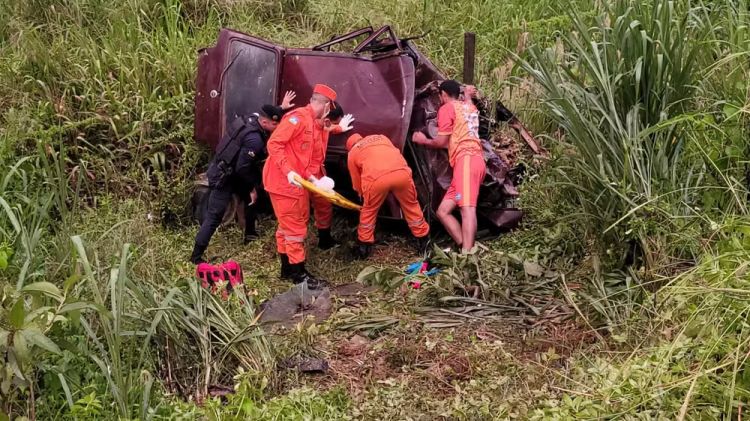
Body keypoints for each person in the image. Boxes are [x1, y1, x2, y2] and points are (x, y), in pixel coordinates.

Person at [190, 99, 291, 264]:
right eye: (275, 126)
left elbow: (268, 113)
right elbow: (243, 167)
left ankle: (250, 235)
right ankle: (196, 257)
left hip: (233, 171)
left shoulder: (251, 118)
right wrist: (251, 186)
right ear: (265, 122)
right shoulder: (255, 140)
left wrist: (281, 108)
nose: (276, 129)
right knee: (214, 217)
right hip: (225, 176)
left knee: (253, 198)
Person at [262, 84, 338, 288]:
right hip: (283, 183)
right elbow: (274, 144)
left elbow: (301, 158)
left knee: (287, 227)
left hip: (297, 182)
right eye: (330, 107)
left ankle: (286, 269)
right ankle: (299, 275)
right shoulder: (297, 118)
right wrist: (288, 171)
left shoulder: (313, 123)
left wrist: (314, 181)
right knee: (295, 229)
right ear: (325, 105)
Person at [411, 80, 486, 252]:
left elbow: (441, 141)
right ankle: (462, 244)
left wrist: (423, 140)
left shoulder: (447, 109)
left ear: (443, 94)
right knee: (443, 211)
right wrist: (467, 94)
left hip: (466, 161)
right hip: (472, 161)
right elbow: (454, 137)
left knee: (467, 209)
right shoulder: (469, 107)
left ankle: (468, 255)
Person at [345, 133, 430, 259]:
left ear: (349, 147)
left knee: (369, 211)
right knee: (411, 206)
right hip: (402, 173)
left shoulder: (353, 153)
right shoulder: (382, 137)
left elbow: (356, 181)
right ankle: (424, 241)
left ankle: (364, 246)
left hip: (377, 180)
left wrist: (362, 195)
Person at [310, 101, 354, 250]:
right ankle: (295, 258)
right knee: (299, 213)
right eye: (333, 122)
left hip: (317, 172)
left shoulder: (321, 125)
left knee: (324, 205)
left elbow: (327, 128)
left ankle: (324, 240)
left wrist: (340, 127)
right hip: (301, 176)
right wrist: (310, 177)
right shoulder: (306, 130)